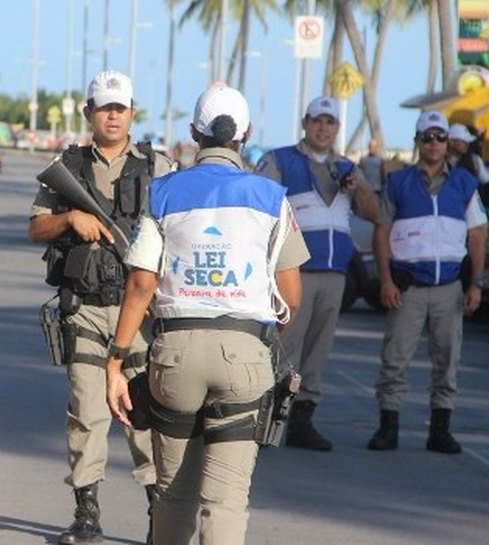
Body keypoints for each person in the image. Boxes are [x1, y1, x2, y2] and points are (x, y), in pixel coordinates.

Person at [106, 83, 308, 545]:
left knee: (174, 495)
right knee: (226, 500)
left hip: (175, 355)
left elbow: (140, 284)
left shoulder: (163, 192)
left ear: (195, 132)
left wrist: (116, 362)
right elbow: (291, 296)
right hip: (245, 355)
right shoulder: (272, 197)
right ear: (246, 133)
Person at [28, 69, 174, 545]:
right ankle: (86, 512)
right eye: (104, 107)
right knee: (87, 413)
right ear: (89, 112)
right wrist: (70, 217)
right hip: (86, 307)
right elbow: (36, 228)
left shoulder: (160, 166)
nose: (112, 115)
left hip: (142, 313)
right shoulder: (67, 167)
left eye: (121, 107)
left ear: (132, 112)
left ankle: (160, 514)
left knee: (142, 416)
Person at [255, 96, 380, 451]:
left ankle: (302, 419)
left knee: (318, 349)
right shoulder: (280, 160)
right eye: (317, 121)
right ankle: (266, 416)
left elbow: (374, 212)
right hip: (293, 270)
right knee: (285, 343)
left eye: (330, 122)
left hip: (334, 274)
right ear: (305, 123)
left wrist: (360, 188)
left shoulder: (347, 168)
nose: (323, 128)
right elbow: (261, 203)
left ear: (337, 128)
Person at [367, 111, 487, 454]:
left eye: (440, 137)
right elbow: (382, 232)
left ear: (447, 142)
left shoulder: (464, 184)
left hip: (449, 288)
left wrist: (475, 283)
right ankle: (388, 427)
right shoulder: (398, 183)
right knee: (395, 357)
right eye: (427, 137)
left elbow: (477, 235)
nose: (434, 143)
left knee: (447, 360)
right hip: (408, 289)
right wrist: (386, 281)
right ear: (417, 142)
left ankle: (441, 430)